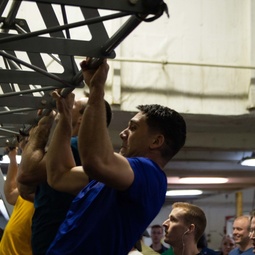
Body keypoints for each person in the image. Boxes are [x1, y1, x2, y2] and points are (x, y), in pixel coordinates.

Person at [45, 58, 187, 254]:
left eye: (133, 128)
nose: (122, 133)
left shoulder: (150, 175)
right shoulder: (113, 175)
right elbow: (59, 175)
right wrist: (65, 118)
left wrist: (97, 89)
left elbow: (96, 160)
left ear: (156, 142)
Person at [16, 97, 93, 255]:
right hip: (48, 241)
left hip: (57, 243)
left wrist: (44, 124)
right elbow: (24, 190)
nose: (62, 106)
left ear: (81, 118)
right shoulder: (66, 147)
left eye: (71, 105)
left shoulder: (75, 145)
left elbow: (26, 174)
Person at [0, 140, 34, 254]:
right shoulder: (29, 190)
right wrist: (13, 158)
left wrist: (26, 151)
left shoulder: (52, 194)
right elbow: (10, 194)